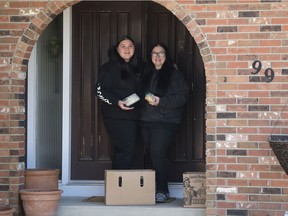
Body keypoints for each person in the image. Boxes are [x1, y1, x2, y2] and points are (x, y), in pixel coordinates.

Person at [140, 42, 189, 202]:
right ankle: (153, 188)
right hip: (146, 120)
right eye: (154, 53)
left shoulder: (175, 75)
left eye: (161, 53)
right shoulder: (146, 73)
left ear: (166, 56)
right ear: (151, 56)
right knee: (154, 155)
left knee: (157, 153)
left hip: (166, 121)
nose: (157, 56)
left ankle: (162, 190)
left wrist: (161, 101)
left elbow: (182, 97)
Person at [96, 35, 143, 169]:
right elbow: (100, 91)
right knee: (126, 150)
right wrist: (117, 102)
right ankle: (119, 186)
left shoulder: (138, 66)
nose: (127, 49)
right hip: (115, 116)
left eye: (130, 46)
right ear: (117, 49)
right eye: (123, 46)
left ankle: (118, 186)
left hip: (134, 116)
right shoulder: (109, 67)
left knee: (126, 150)